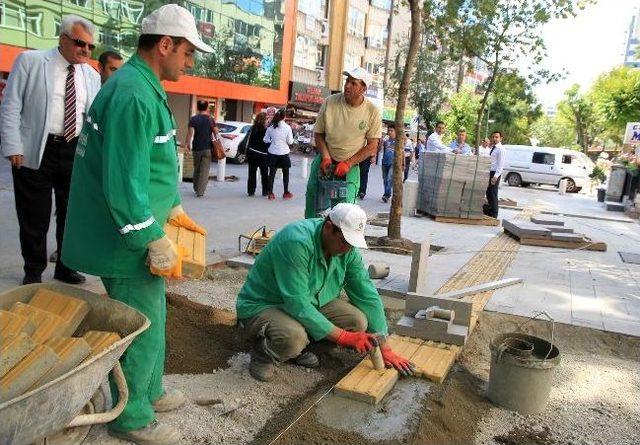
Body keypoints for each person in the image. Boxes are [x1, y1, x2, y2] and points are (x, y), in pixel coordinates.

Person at [61, 5, 212, 445]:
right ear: (165, 45)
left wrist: (172, 208)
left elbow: (152, 162)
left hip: (138, 230)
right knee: (140, 326)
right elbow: (122, 182)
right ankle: (131, 417)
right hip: (124, 239)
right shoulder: (132, 94)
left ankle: (150, 391)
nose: (190, 61)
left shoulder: (142, 86)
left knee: (154, 318)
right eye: (187, 52)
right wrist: (151, 236)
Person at [236, 203, 415, 382]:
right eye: (345, 241)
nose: (348, 249)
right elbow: (296, 303)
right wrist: (344, 337)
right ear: (329, 228)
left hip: (310, 301)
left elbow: (367, 294)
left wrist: (385, 347)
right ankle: (263, 354)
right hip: (268, 304)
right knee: (294, 337)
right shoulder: (296, 242)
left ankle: (303, 349)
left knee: (358, 321)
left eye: (352, 243)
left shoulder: (347, 250)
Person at [0, 14, 100, 285]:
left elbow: (91, 117)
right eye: (81, 44)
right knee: (35, 215)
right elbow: (10, 105)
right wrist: (12, 145)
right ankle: (33, 271)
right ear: (63, 39)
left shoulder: (91, 75)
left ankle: (66, 267)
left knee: (72, 213)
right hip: (36, 149)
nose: (86, 51)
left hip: (74, 151)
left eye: (91, 47)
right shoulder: (30, 62)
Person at [304, 67, 382, 218]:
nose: (347, 86)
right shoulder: (330, 102)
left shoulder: (372, 111)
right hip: (325, 161)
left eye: (353, 83)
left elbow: (372, 146)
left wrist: (349, 163)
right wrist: (326, 157)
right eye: (347, 81)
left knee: (345, 214)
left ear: (363, 88)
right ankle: (311, 236)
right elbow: (319, 134)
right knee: (314, 203)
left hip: (350, 166)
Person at [186, 100, 218, 197]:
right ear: (207, 107)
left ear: (197, 107)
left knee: (197, 168)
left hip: (196, 147)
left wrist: (187, 143)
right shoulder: (210, 119)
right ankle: (200, 192)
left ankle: (196, 188)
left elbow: (190, 133)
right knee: (205, 170)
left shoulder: (194, 119)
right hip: (207, 148)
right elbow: (216, 132)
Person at [264, 108, 294, 200]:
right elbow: (290, 141)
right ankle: (285, 192)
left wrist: (272, 142)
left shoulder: (271, 127)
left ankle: (270, 193)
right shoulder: (287, 127)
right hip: (284, 153)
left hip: (272, 152)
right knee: (286, 173)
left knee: (272, 173)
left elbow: (265, 139)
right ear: (284, 117)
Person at [483, 131, 506, 218]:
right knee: (489, 192)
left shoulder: (501, 149)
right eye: (493, 137)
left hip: (495, 173)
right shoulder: (494, 148)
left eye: (496, 137)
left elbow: (501, 164)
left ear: (500, 138)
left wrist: (495, 176)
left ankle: (494, 214)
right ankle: (490, 212)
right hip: (490, 172)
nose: (494, 139)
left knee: (493, 193)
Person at [246, 112, 270, 196]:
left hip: (252, 153)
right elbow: (268, 143)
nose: (268, 120)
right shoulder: (267, 130)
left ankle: (251, 191)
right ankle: (265, 191)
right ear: (264, 120)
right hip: (263, 155)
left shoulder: (253, 128)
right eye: (267, 119)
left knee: (252, 173)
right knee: (264, 174)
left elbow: (249, 140)